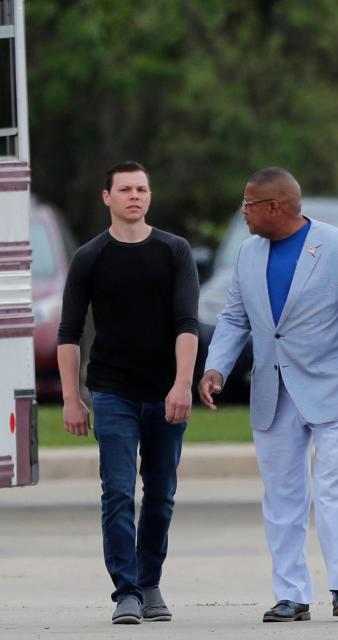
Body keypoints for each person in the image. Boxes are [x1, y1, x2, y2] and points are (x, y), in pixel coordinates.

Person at [197, 167, 338, 623]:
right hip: (273, 390)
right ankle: (292, 595)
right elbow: (234, 318)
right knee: (282, 495)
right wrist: (216, 366)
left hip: (334, 387)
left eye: (249, 204)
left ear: (275, 207)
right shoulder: (247, 254)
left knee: (335, 487)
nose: (243, 212)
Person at [57, 161, 199, 625]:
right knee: (118, 491)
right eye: (125, 189)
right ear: (107, 198)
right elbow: (68, 333)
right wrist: (71, 398)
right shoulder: (90, 257)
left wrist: (181, 384)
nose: (134, 196)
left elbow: (187, 324)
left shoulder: (174, 251)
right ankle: (127, 592)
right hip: (112, 391)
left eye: (141, 189)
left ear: (149, 197)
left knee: (160, 492)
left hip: (164, 392)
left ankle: (150, 581)